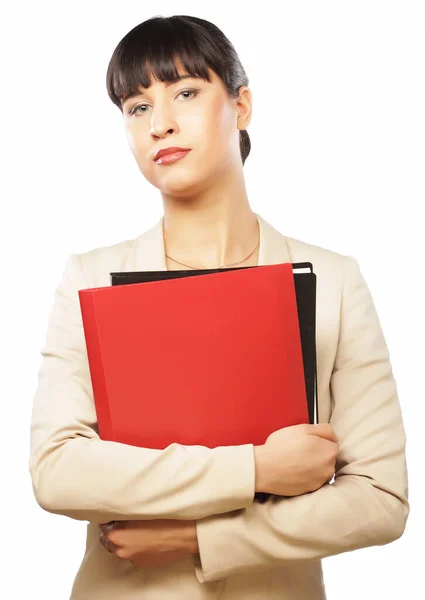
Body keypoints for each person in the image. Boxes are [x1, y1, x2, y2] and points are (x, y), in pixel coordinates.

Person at [29, 14, 409, 600]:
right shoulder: (89, 278)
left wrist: (200, 537)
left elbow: (381, 499)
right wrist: (256, 469)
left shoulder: (333, 280)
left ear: (242, 105)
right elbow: (57, 472)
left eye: (185, 92)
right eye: (136, 106)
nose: (160, 124)